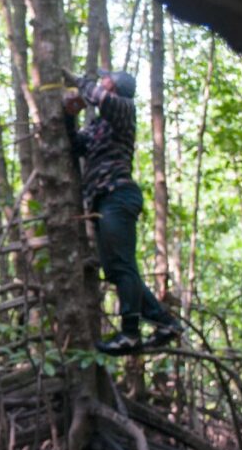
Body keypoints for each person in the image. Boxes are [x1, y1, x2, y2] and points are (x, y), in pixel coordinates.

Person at [63, 68, 183, 355]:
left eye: (106, 79)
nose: (101, 80)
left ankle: (130, 333)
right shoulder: (100, 125)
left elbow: (99, 97)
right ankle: (164, 322)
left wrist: (78, 80)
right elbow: (78, 145)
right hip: (104, 201)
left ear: (114, 87)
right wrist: (69, 117)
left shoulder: (123, 109)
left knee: (123, 265)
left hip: (118, 195)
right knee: (116, 269)